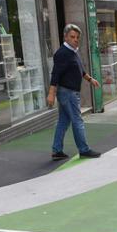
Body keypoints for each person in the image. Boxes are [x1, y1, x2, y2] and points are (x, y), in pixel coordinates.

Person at [47, 23, 101, 160]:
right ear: (65, 37)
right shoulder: (62, 53)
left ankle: (56, 150)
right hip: (68, 93)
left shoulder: (73, 52)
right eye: (72, 37)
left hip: (69, 92)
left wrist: (90, 79)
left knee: (63, 122)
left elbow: (80, 70)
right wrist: (51, 94)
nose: (76, 39)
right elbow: (55, 74)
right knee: (77, 121)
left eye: (77, 37)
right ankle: (84, 150)